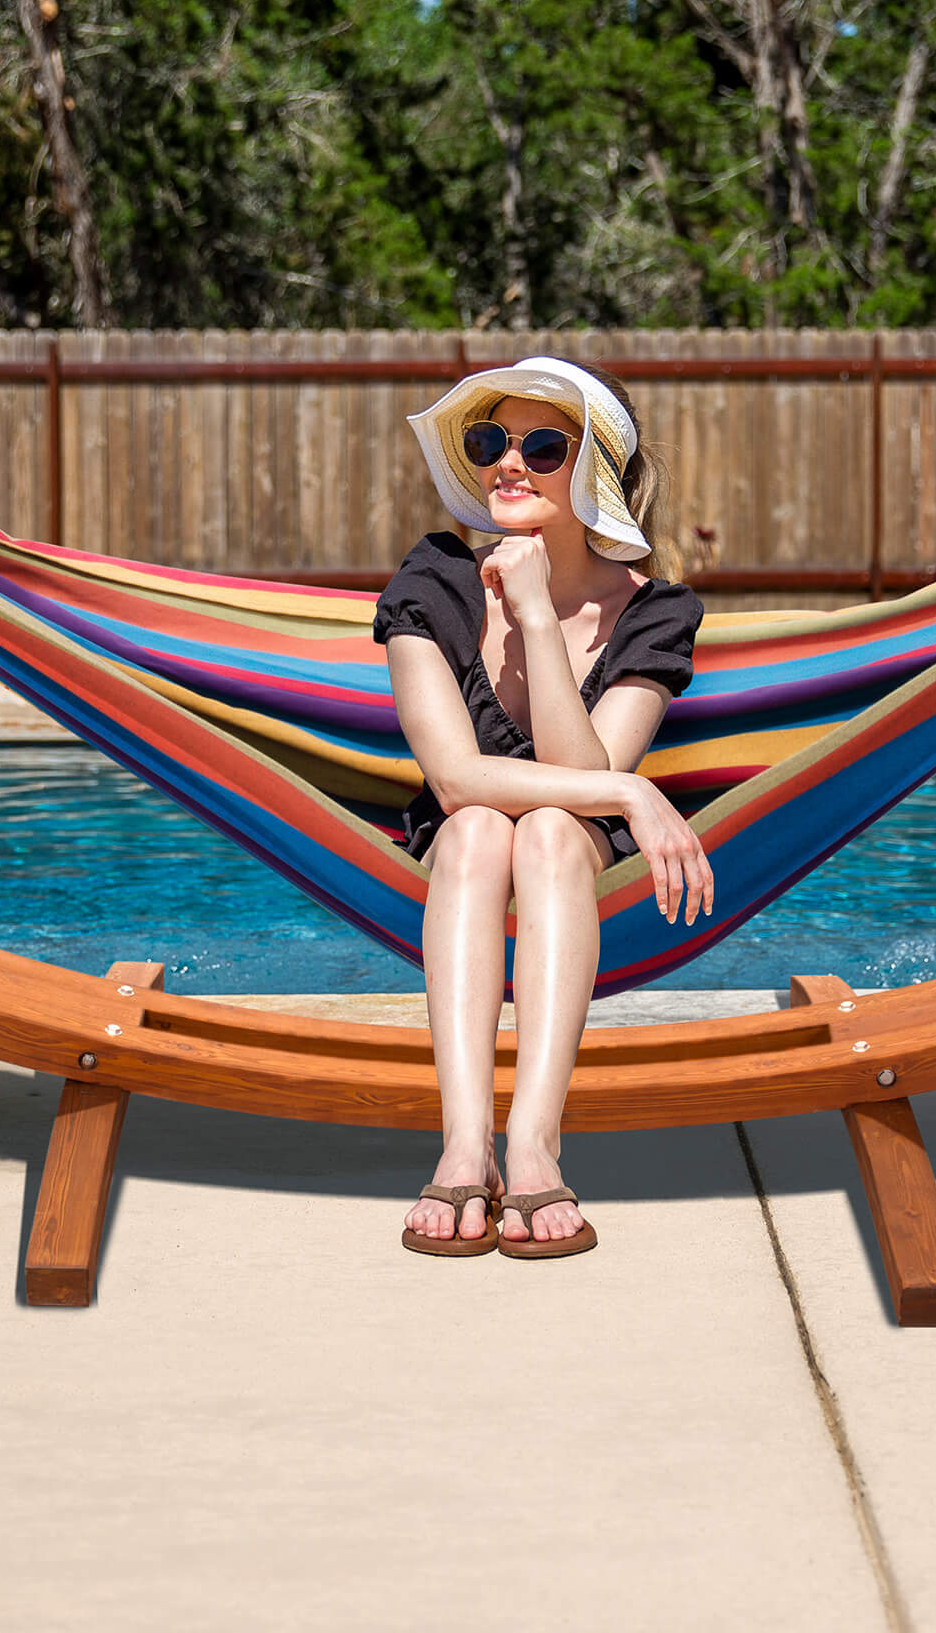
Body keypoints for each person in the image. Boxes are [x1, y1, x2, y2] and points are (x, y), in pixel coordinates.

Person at [373, 356, 712, 1259]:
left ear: (596, 469)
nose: (507, 463)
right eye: (490, 441)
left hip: (575, 857)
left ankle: (532, 1140)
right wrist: (628, 791)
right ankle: (462, 1141)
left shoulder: (657, 615)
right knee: (482, 824)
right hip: (463, 846)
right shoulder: (434, 580)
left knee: (556, 831)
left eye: (543, 445)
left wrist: (531, 615)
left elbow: (577, 769)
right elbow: (453, 779)